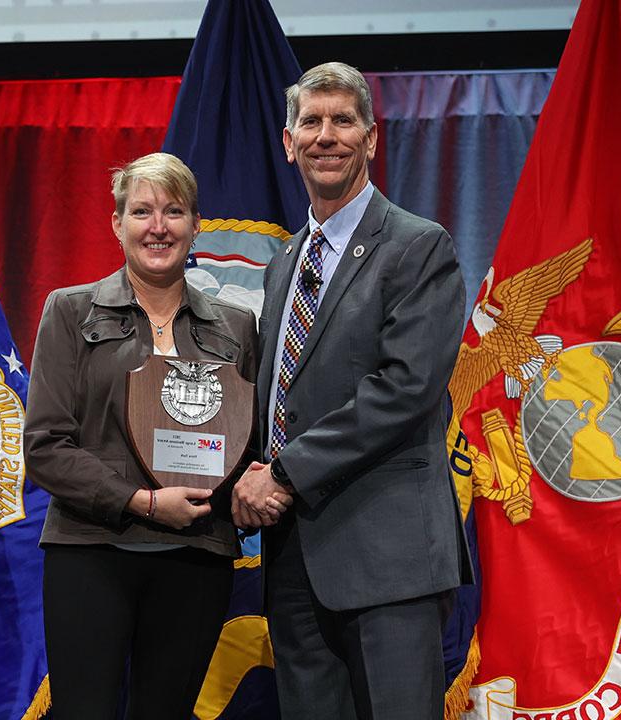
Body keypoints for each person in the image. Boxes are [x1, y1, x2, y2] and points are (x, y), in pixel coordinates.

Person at [232, 62, 472, 719]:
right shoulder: (285, 262)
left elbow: (406, 386)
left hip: (389, 559)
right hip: (295, 563)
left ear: (371, 139)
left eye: (343, 121)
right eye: (311, 121)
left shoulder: (418, 247)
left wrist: (284, 473)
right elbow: (281, 396)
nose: (326, 135)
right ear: (289, 141)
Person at [25, 152, 261, 720]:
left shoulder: (236, 327)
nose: (158, 226)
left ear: (196, 225)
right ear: (117, 223)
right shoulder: (70, 311)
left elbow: (247, 445)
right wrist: (142, 502)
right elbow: (44, 447)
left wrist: (255, 488)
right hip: (91, 550)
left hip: (196, 554)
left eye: (174, 211)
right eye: (142, 211)